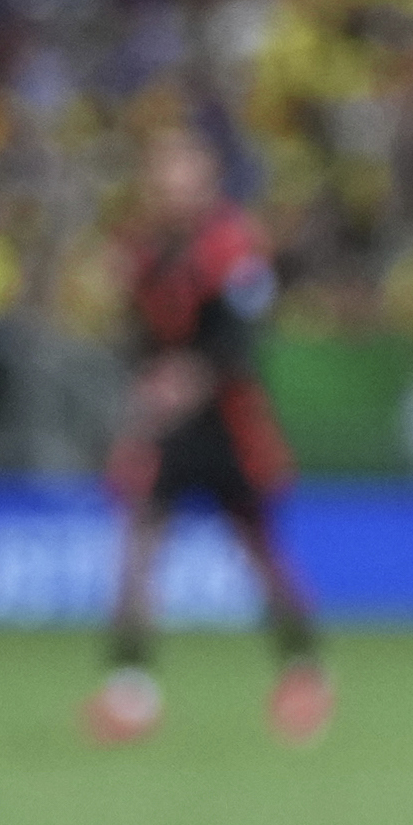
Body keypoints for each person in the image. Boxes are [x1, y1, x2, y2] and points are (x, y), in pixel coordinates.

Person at [82, 123, 331, 745]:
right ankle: (130, 689)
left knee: (260, 554)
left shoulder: (233, 247)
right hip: (167, 425)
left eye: (182, 172)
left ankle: (302, 673)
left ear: (206, 180)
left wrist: (183, 379)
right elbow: (136, 338)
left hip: (227, 423)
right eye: (162, 174)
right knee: (137, 544)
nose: (171, 187)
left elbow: (240, 341)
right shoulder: (141, 252)